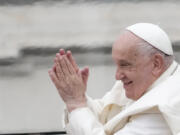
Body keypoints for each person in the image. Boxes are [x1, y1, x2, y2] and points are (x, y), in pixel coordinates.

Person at [48, 23, 180, 135]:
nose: (117, 76)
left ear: (156, 64)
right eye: (116, 65)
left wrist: (76, 103)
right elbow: (103, 114)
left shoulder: (165, 107)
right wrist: (79, 95)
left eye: (125, 65)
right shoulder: (144, 82)